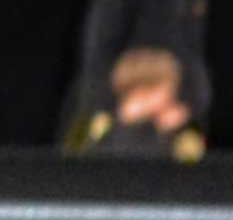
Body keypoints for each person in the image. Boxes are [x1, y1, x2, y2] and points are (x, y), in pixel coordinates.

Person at [62, 0, 214, 149]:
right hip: (115, 116)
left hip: (169, 122)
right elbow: (97, 57)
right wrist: (124, 105)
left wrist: (184, 106)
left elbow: (193, 58)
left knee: (191, 151)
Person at [71, 44, 204, 155]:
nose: (171, 97)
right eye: (166, 91)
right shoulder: (94, 122)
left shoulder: (181, 133)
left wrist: (166, 133)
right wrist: (127, 125)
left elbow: (189, 167)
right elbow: (72, 157)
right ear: (143, 91)